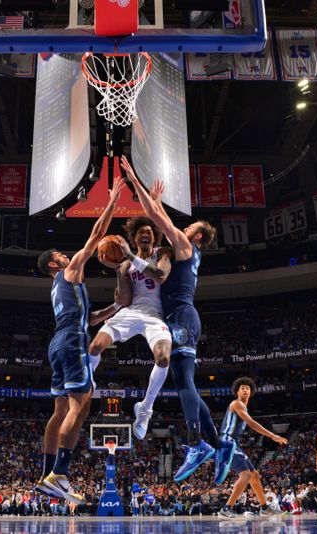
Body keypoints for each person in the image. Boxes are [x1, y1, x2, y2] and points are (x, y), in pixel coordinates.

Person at [120, 155, 226, 482]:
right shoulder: (188, 251)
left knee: (184, 383)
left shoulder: (183, 245)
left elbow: (155, 218)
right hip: (183, 316)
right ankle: (217, 444)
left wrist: (135, 182)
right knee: (184, 382)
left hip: (181, 317)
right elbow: (161, 216)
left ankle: (196, 443)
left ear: (194, 236)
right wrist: (157, 203)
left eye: (188, 227)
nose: (182, 227)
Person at [34, 176, 126, 503]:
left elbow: (89, 318)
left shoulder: (58, 289)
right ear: (54, 264)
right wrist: (113, 199)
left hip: (59, 340)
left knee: (60, 409)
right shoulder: (70, 271)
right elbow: (97, 235)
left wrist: (116, 307)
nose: (65, 253)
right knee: (81, 401)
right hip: (72, 341)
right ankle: (60, 472)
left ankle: (47, 474)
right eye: (59, 253)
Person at [88, 216, 173, 440]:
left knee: (163, 358)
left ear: (154, 236)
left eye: (149, 232)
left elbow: (161, 275)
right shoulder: (125, 263)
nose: (145, 235)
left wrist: (129, 256)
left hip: (155, 315)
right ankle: (87, 380)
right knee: (95, 346)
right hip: (131, 311)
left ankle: (145, 408)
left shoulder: (162, 252)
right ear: (134, 238)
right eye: (140, 232)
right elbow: (124, 300)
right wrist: (118, 269)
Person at [216, 377, 287, 519]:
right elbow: (251, 422)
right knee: (246, 475)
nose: (245, 390)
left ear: (251, 392)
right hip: (227, 442)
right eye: (242, 388)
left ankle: (264, 508)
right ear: (237, 391)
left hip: (233, 443)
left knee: (254, 475)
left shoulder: (244, 406)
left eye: (247, 388)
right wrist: (272, 435)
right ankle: (226, 508)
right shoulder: (237, 404)